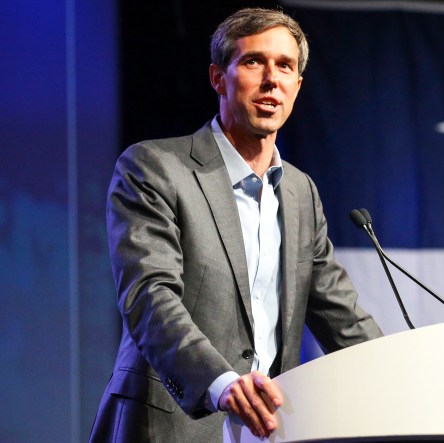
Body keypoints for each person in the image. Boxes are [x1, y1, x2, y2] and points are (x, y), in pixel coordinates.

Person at [90, 7, 383, 442]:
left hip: (270, 430)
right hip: (169, 426)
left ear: (297, 86)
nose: (271, 80)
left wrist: (409, 373)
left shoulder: (301, 192)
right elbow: (149, 297)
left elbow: (344, 320)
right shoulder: (155, 167)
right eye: (253, 62)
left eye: (284, 66)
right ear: (217, 78)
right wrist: (222, 384)